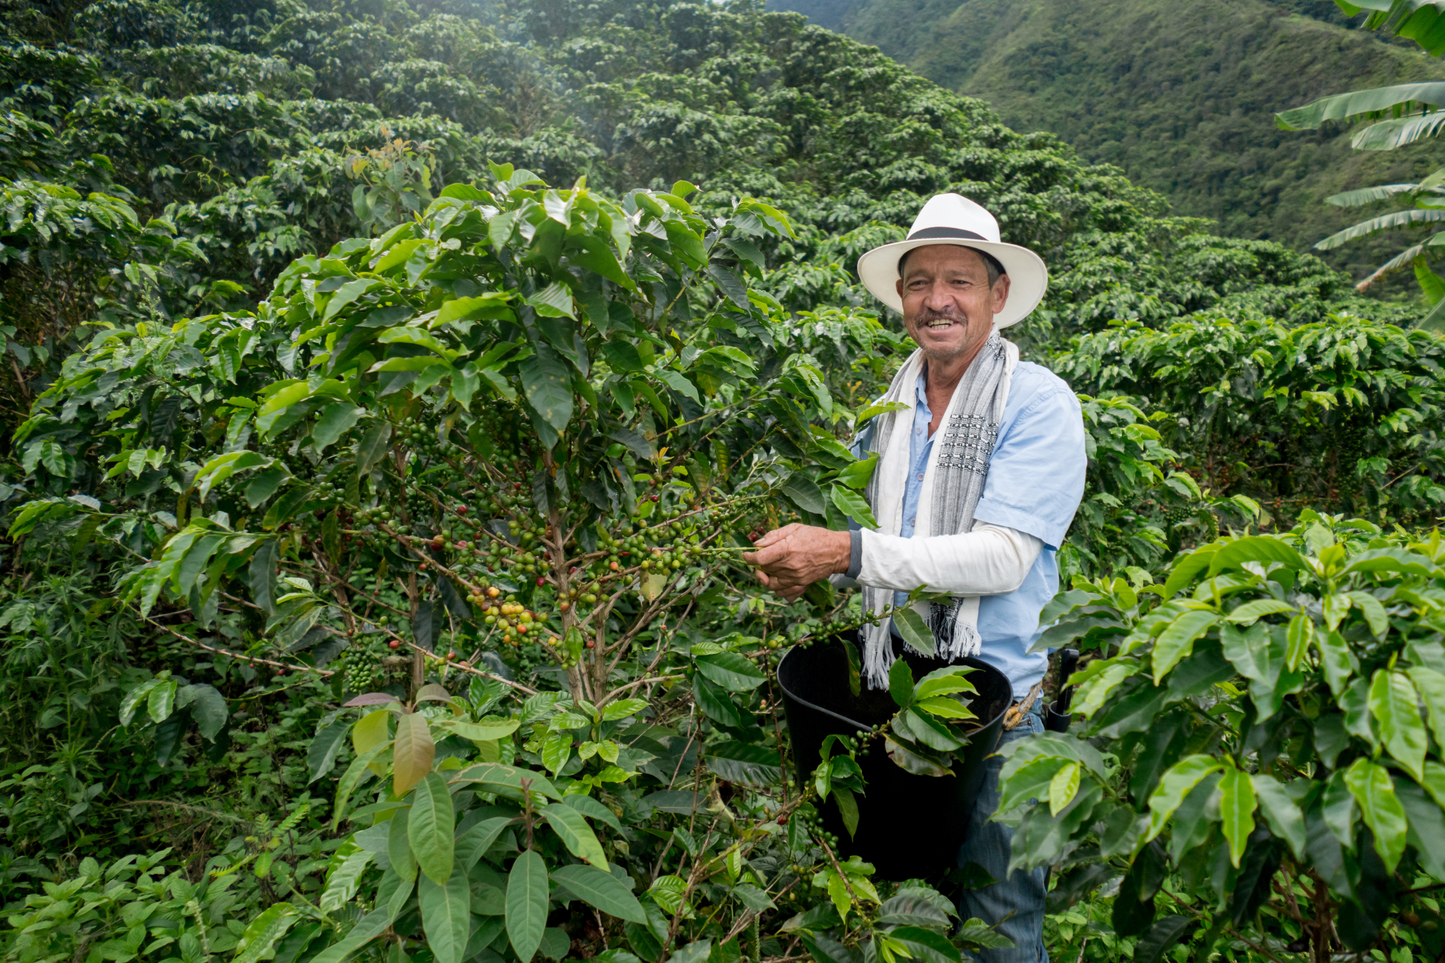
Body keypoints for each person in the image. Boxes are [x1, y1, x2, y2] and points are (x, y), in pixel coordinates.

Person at [743, 193, 1086, 963]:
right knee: (900, 909)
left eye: (960, 280)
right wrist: (811, 568)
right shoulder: (886, 413)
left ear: (998, 296)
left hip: (1001, 716)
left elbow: (999, 558)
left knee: (997, 921)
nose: (937, 299)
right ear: (900, 299)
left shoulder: (1037, 404)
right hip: (894, 706)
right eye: (919, 281)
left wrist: (843, 551)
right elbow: (889, 560)